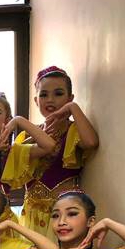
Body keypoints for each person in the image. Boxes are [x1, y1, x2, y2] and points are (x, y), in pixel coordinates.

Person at [21, 66, 99, 238]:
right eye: (44, 95)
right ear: (36, 100)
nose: (50, 100)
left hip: (65, 216)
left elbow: (91, 142)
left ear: (69, 97)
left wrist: (72, 108)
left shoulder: (73, 131)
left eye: (58, 94)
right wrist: (38, 136)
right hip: (32, 215)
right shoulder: (28, 134)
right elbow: (13, 159)